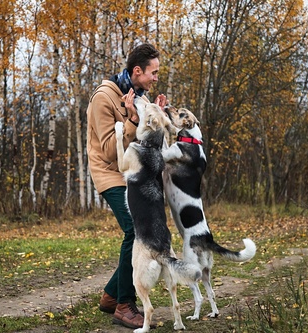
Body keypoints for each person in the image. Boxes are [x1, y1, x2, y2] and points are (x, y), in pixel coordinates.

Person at [86, 43, 168, 329]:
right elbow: (109, 150)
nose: (156, 77)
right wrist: (133, 118)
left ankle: (111, 296)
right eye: (153, 72)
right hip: (110, 174)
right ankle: (124, 305)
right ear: (137, 71)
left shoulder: (139, 96)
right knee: (134, 230)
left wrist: (154, 115)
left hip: (131, 174)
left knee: (140, 229)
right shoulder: (103, 98)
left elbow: (144, 139)